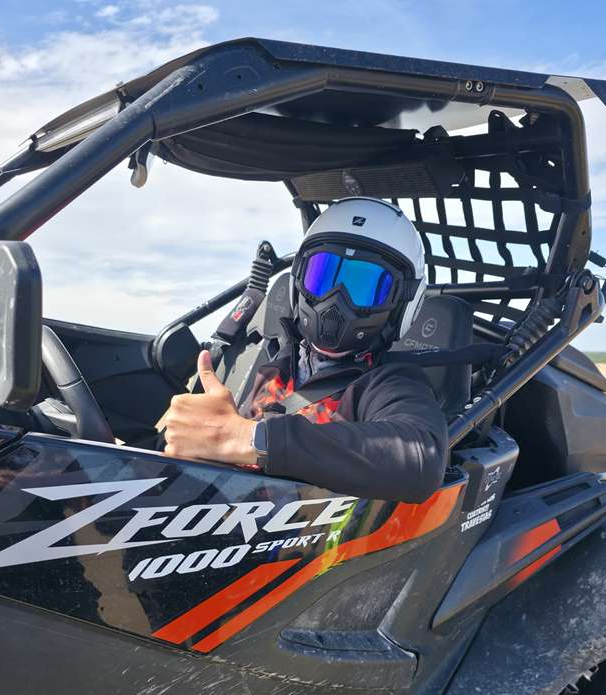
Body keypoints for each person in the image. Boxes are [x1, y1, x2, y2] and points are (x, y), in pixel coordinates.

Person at [161, 197, 448, 503]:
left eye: (364, 286)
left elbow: (421, 459)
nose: (336, 300)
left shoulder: (389, 384)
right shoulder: (278, 363)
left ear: (402, 305)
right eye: (322, 277)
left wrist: (251, 439)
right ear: (299, 279)